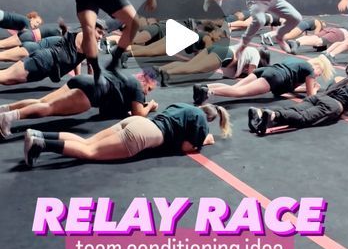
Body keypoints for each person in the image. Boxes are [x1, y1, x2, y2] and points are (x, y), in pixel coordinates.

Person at [23, 102, 232, 167]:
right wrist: (203, 140)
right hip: (145, 135)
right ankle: (40, 145)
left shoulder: (185, 106)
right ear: (212, 119)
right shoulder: (202, 123)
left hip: (138, 122)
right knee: (90, 152)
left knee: (88, 141)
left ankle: (39, 134)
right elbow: (186, 147)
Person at [0, 69, 158, 138]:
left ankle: (5, 109)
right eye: (149, 89)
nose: (147, 93)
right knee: (49, 108)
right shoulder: (137, 87)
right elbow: (139, 115)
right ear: (145, 81)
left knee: (42, 101)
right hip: (91, 92)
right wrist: (150, 105)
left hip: (84, 80)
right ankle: (8, 118)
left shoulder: (128, 78)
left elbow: (106, 112)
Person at [193, 55, 334, 105]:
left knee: (236, 87)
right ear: (317, 66)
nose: (316, 76)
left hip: (267, 71)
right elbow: (311, 98)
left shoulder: (296, 63)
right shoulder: (309, 69)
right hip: (274, 77)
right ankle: (209, 91)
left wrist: (303, 88)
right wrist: (314, 88)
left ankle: (204, 86)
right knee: (239, 93)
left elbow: (287, 88)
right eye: (319, 73)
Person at [248, 73, 348, 136]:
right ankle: (274, 115)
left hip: (318, 97)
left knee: (293, 109)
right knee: (303, 117)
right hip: (332, 105)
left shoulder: (342, 78)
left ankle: (260, 113)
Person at [0, 21, 105, 87]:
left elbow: (77, 59)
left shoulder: (79, 39)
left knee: (7, 80)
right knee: (4, 76)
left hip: (43, 64)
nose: (100, 37)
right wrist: (90, 86)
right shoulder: (88, 43)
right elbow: (91, 69)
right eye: (99, 32)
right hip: (42, 60)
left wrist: (77, 79)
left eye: (102, 35)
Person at [153, 44, 270, 87]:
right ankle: (166, 73)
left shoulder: (249, 49)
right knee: (194, 68)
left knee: (190, 64)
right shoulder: (255, 54)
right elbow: (251, 76)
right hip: (224, 55)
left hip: (218, 49)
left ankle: (161, 68)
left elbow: (229, 73)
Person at [261, 17, 326, 47]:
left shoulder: (314, 20)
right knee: (289, 36)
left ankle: (269, 35)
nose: (324, 26)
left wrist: (305, 37)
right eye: (324, 25)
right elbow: (316, 35)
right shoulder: (319, 24)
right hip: (302, 25)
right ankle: (272, 36)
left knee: (288, 32)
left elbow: (305, 31)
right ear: (322, 22)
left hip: (301, 23)